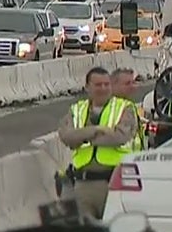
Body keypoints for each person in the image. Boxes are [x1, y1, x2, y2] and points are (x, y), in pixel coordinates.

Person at [56, 67, 139, 219]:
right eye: (98, 85)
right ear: (87, 87)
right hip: (83, 184)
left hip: (115, 183)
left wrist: (82, 136)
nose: (103, 89)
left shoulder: (124, 108)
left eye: (106, 84)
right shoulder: (77, 109)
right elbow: (67, 136)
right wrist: (98, 129)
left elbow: (119, 137)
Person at [110, 67, 145, 151]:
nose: (132, 86)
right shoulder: (111, 106)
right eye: (127, 83)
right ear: (113, 85)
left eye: (133, 82)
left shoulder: (128, 105)